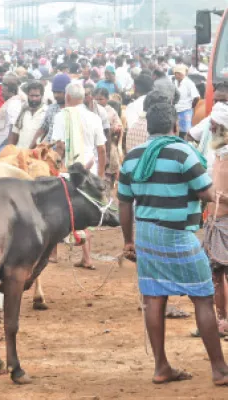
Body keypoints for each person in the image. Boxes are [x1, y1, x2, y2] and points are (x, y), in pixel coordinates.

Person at [118, 101, 228, 386]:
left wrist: (128, 241)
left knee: (154, 297)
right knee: (202, 296)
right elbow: (205, 192)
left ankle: (161, 367)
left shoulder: (133, 156)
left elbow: (124, 202)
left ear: (149, 127)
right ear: (175, 125)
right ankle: (219, 370)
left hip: (146, 235)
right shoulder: (182, 151)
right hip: (177, 234)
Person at [51, 83, 107, 270]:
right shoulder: (94, 118)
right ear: (83, 98)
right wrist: (100, 176)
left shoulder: (61, 116)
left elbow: (59, 146)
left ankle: (53, 254)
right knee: (84, 211)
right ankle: (87, 258)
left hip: (68, 170)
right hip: (90, 170)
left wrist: (55, 168)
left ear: (67, 97)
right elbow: (102, 150)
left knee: (58, 209)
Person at [198, 102, 228, 338]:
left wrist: (220, 197)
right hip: (214, 221)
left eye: (215, 125)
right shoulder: (217, 153)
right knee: (216, 275)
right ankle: (221, 320)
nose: (211, 128)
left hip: (224, 222)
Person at [10, 81, 47, 150]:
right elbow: (15, 132)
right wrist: (11, 150)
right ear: (27, 95)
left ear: (42, 96)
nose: (34, 99)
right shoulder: (23, 111)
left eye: (37, 96)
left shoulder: (46, 112)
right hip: (20, 152)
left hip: (36, 153)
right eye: (31, 96)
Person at [0, 77, 23, 158]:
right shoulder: (11, 102)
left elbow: (13, 126)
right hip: (2, 144)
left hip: (5, 145)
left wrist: (8, 147)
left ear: (11, 91)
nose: (1, 94)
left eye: (3, 91)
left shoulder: (14, 104)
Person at [173, 65, 200, 140]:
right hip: (176, 110)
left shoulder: (189, 83)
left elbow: (196, 97)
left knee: (185, 132)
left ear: (183, 74)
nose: (177, 75)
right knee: (176, 131)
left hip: (185, 110)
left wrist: (191, 107)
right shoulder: (175, 82)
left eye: (179, 73)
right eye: (176, 73)